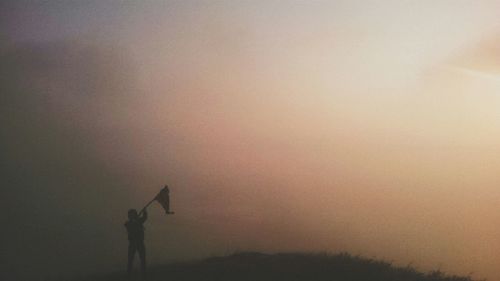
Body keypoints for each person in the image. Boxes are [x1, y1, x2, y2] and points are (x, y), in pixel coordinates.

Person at [125, 208, 148, 277]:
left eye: (133, 214)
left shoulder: (138, 221)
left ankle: (143, 274)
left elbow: (144, 217)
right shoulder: (128, 223)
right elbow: (131, 226)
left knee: (142, 259)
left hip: (140, 243)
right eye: (131, 215)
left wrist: (145, 212)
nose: (131, 216)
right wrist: (137, 219)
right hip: (133, 244)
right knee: (130, 260)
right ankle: (129, 274)